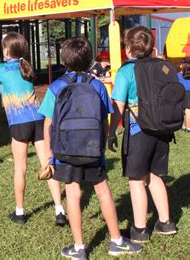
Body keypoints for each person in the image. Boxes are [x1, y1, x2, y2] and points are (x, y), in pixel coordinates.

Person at [39, 36, 142, 258]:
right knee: (103, 190)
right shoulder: (97, 85)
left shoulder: (56, 87)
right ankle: (116, 241)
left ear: (64, 60)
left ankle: (79, 248)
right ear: (89, 60)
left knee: (73, 194)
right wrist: (103, 144)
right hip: (93, 148)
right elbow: (105, 117)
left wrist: (49, 154)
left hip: (65, 150)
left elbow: (47, 123)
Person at [0, 32, 66, 226]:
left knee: (20, 167)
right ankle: (59, 211)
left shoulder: (1, 69)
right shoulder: (27, 66)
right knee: (47, 165)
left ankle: (20, 212)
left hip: (19, 123)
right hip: (38, 120)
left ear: (6, 50)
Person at [108, 26, 177, 244]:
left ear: (128, 48)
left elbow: (118, 105)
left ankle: (139, 229)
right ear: (150, 46)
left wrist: (111, 133)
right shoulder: (162, 66)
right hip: (163, 130)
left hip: (138, 132)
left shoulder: (126, 71)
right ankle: (165, 222)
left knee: (136, 180)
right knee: (155, 175)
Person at [178, 57, 190, 131]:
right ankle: (187, 127)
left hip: (182, 92)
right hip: (187, 92)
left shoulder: (178, 74)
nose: (180, 65)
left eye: (181, 64)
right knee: (187, 110)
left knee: (184, 110)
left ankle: (185, 126)